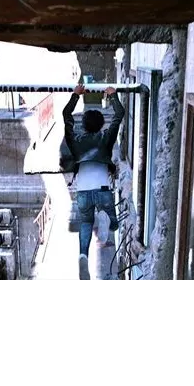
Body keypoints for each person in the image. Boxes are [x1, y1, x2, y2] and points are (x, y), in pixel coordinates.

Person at [62, 84, 125, 280]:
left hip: (82, 191)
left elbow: (66, 115)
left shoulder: (76, 141)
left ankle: (83, 255)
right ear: (101, 125)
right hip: (102, 188)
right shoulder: (106, 137)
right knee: (113, 221)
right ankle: (108, 219)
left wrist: (76, 95)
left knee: (86, 222)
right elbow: (119, 114)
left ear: (83, 126)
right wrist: (113, 95)